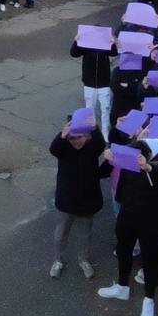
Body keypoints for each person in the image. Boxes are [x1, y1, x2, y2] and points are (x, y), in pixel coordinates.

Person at [98, 139, 158, 316]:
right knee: (123, 250)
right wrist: (108, 157)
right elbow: (105, 172)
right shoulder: (130, 158)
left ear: (149, 155)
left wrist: (148, 167)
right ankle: (122, 286)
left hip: (151, 221)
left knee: (149, 259)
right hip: (128, 214)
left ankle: (149, 298)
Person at [48, 108, 108, 280]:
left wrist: (95, 129)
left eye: (80, 137)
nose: (77, 141)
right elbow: (54, 149)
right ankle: (57, 260)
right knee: (61, 233)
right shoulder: (63, 149)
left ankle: (84, 260)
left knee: (85, 233)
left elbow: (100, 144)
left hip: (88, 201)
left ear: (87, 136)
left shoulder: (91, 148)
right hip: (66, 201)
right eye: (72, 138)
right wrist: (62, 135)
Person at [70, 30, 115, 132]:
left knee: (106, 107)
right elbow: (74, 53)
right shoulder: (86, 45)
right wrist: (76, 41)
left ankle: (105, 130)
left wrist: (112, 43)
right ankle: (91, 129)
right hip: (89, 82)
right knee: (89, 108)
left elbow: (114, 53)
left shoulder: (105, 45)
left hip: (104, 82)